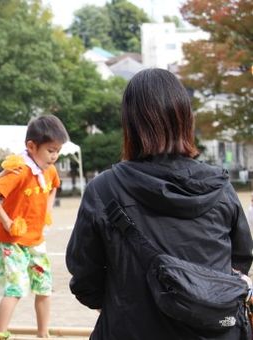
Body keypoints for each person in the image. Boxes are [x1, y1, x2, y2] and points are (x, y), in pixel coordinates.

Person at [66, 68, 253, 340]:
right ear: (185, 119)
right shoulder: (221, 189)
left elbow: (85, 280)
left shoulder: (104, 190)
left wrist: (130, 304)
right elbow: (239, 264)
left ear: (130, 123)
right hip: (215, 332)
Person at [0, 114, 69, 339]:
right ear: (31, 146)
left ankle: (43, 333)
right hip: (12, 240)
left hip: (36, 239)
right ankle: (0, 334)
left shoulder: (49, 170)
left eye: (58, 150)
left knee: (44, 287)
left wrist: (48, 211)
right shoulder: (20, 169)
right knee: (16, 288)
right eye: (51, 150)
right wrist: (6, 220)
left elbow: (53, 187)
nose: (55, 156)